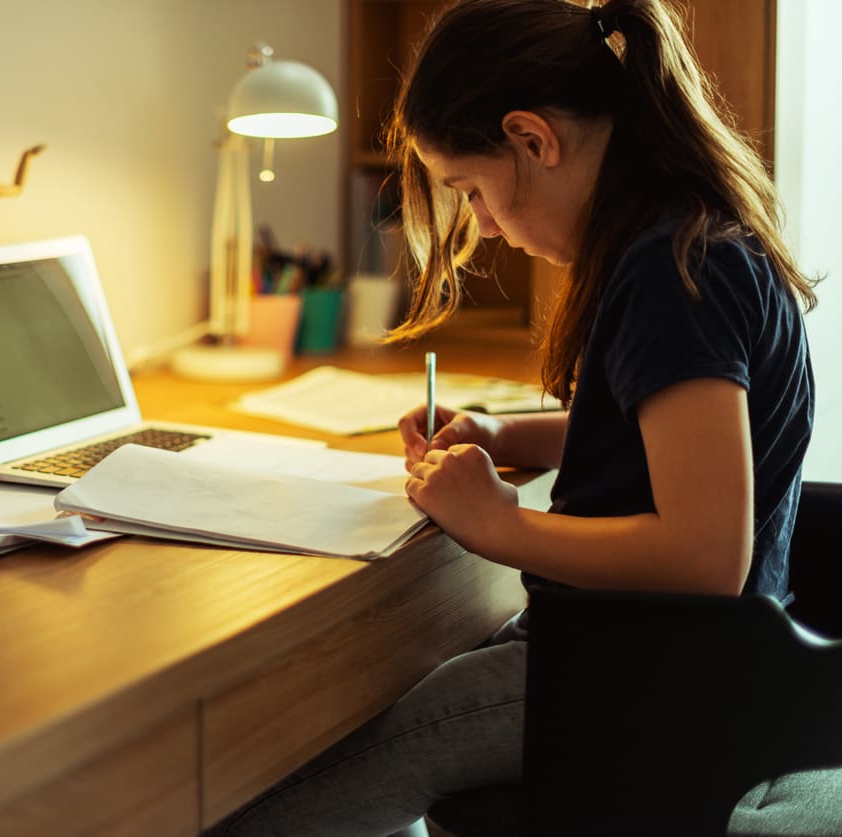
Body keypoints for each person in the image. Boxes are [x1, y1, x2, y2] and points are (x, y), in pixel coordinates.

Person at [207, 0, 817, 834]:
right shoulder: (697, 241)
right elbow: (672, 446)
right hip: (673, 659)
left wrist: (496, 522)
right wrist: (505, 435)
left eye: (474, 191)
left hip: (637, 675)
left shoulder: (675, 279)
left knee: (253, 808)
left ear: (533, 140)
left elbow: (705, 554)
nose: (485, 227)